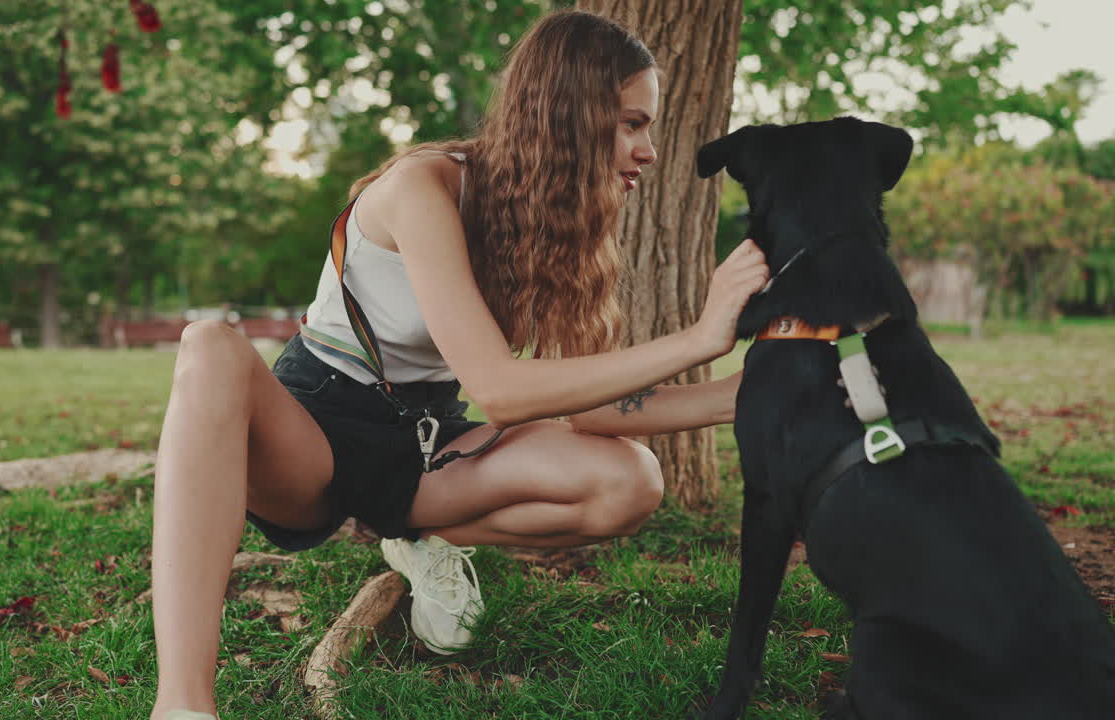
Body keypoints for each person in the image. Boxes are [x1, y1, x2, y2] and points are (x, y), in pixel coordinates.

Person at [150, 9, 769, 720]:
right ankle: (183, 705)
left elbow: (594, 409)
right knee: (208, 346)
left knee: (629, 481)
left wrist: (740, 394)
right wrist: (699, 339)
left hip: (427, 450)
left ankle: (416, 537)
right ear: (567, 117)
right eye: (632, 124)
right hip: (314, 432)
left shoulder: (563, 227)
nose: (650, 150)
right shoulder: (425, 187)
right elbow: (501, 391)